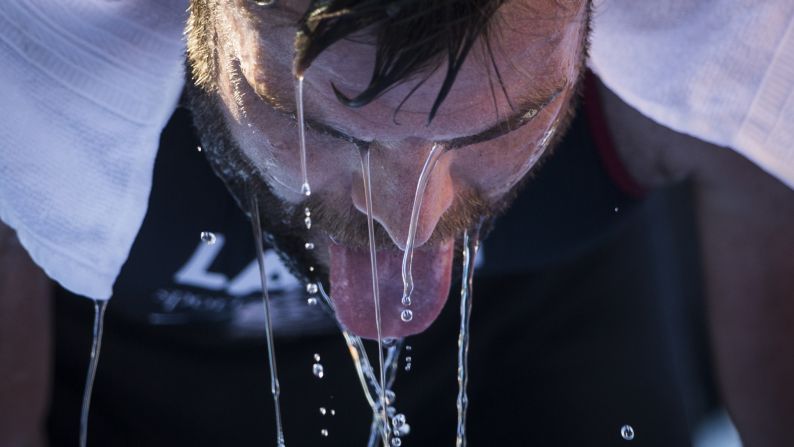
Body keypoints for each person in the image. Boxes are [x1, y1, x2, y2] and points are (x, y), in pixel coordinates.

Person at [1, 0, 792, 445]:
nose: (409, 220)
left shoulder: (721, 45)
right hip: (123, 379)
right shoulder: (28, 75)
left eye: (491, 130)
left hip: (543, 333)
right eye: (329, 130)